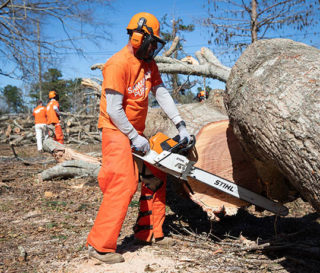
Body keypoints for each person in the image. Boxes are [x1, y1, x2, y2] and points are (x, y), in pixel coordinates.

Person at [86, 12, 191, 264]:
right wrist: (133, 136)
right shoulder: (118, 63)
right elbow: (113, 108)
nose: (153, 47)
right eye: (151, 41)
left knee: (156, 174)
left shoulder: (148, 64)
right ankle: (99, 246)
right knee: (123, 182)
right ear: (137, 37)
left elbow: (161, 92)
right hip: (115, 131)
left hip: (136, 133)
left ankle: (150, 231)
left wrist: (181, 123)